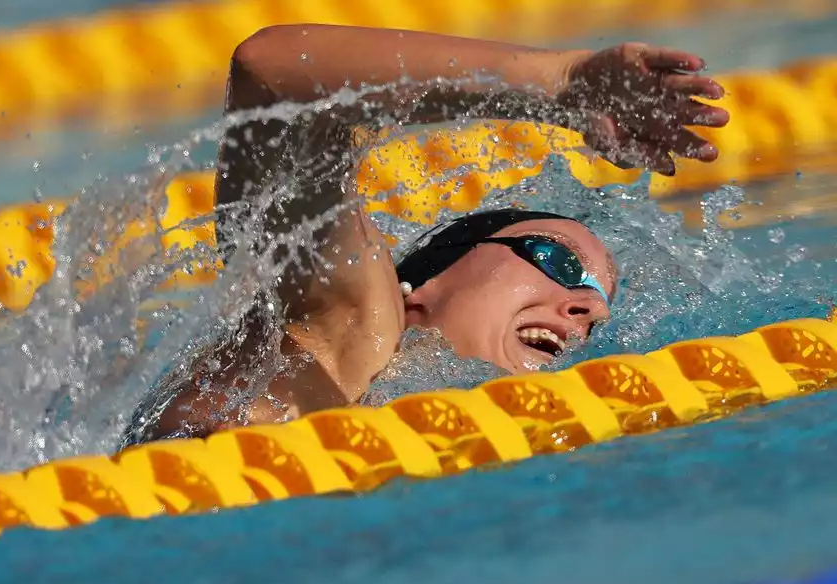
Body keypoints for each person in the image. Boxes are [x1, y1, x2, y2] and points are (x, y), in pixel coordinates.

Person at [127, 24, 730, 444]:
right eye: (555, 259)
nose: (588, 307)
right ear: (421, 287)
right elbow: (275, 73)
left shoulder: (384, 407)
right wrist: (557, 82)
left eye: (600, 307)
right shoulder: (351, 324)